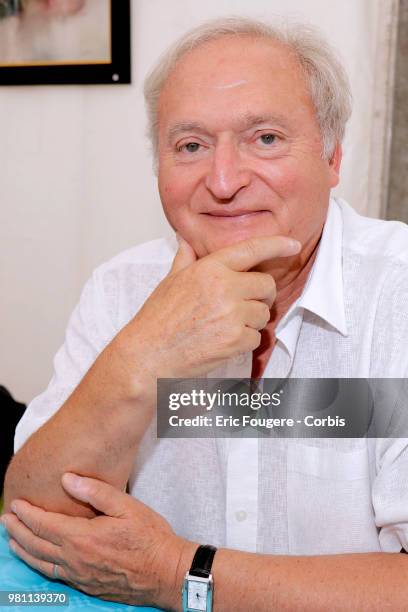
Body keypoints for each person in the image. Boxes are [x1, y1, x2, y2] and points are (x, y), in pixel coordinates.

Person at [3, 16, 408, 611]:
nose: (222, 182)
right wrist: (143, 355)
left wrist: (178, 572)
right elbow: (34, 519)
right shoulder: (121, 289)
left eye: (265, 138)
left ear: (333, 158)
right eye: (190, 146)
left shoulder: (396, 294)